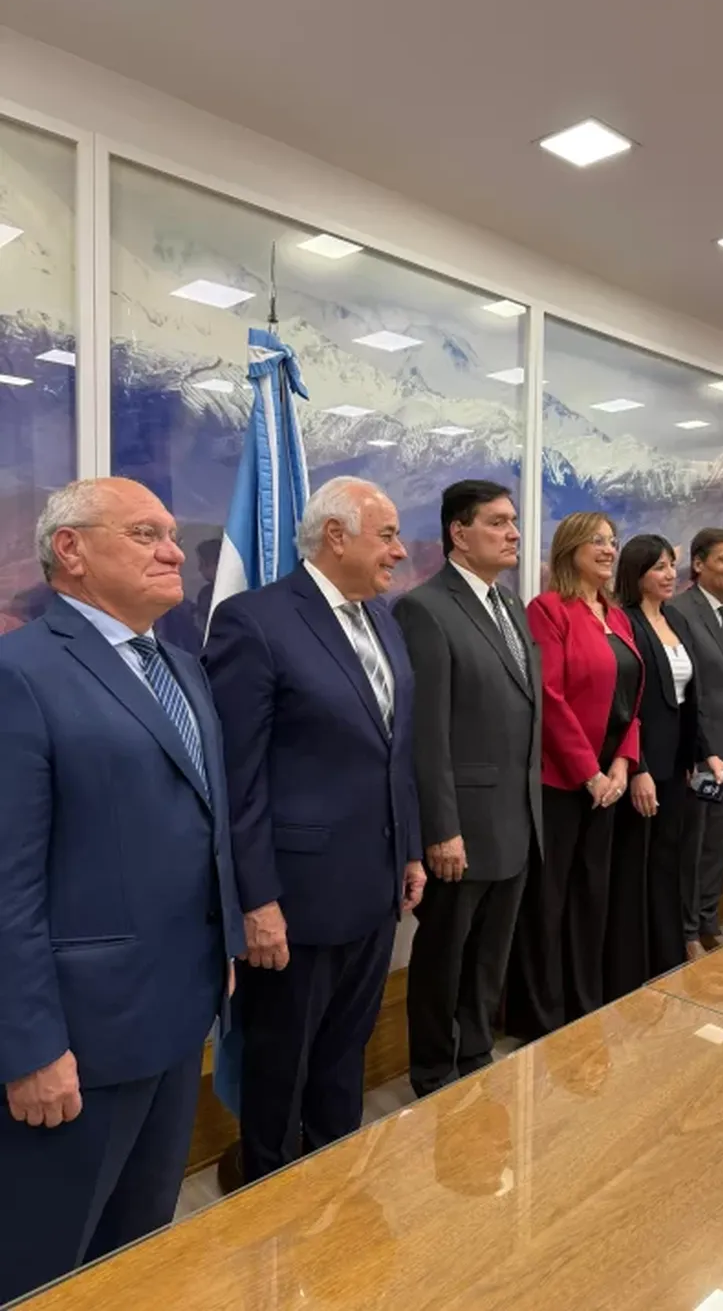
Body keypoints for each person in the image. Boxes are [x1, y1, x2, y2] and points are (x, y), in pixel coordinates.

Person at [0, 478, 243, 1306]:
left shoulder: (178, 665)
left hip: (179, 1016)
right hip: (77, 1043)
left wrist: (227, 945)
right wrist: (29, 1045)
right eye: (146, 533)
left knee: (136, 1248)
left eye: (173, 533)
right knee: (44, 1262)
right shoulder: (19, 674)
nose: (175, 550)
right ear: (71, 550)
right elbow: (8, 881)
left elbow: (203, 823)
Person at [203, 476, 425, 1183]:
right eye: (385, 534)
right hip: (294, 900)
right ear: (336, 535)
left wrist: (411, 847)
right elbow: (237, 778)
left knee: (345, 1050)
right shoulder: (256, 621)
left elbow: (396, 748)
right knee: (279, 1062)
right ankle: (268, 1187)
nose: (397, 550)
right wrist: (256, 899)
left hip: (374, 886)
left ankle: (333, 1173)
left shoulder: (382, 618)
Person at [393, 480, 542, 1098]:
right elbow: (427, 733)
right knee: (443, 958)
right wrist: (441, 828)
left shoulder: (508, 606)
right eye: (499, 523)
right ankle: (432, 1070)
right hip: (463, 825)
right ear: (459, 532)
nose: (513, 533)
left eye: (513, 522)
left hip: (515, 816)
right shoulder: (425, 607)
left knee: (490, 956)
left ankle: (476, 1051)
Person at [505, 512, 642, 1040]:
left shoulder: (617, 615)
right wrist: (590, 773)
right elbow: (550, 699)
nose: (609, 550)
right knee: (550, 901)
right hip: (564, 781)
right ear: (570, 549)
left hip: (610, 778)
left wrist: (623, 764)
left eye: (612, 541)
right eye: (597, 541)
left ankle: (585, 1003)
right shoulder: (548, 609)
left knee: (592, 897)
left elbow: (635, 701)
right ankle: (540, 1017)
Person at [606, 534, 701, 997]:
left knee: (669, 861)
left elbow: (688, 697)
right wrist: (637, 764)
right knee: (635, 865)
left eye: (672, 566)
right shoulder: (623, 621)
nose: (669, 575)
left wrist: (698, 753)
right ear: (637, 572)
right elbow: (624, 705)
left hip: (676, 762)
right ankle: (631, 967)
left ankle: (666, 955)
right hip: (640, 766)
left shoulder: (674, 618)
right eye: (660, 567)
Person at [670, 527, 723, 958]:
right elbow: (689, 692)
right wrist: (704, 750)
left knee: (720, 844)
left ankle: (706, 921)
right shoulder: (679, 611)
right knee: (693, 845)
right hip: (702, 752)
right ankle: (685, 932)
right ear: (699, 564)